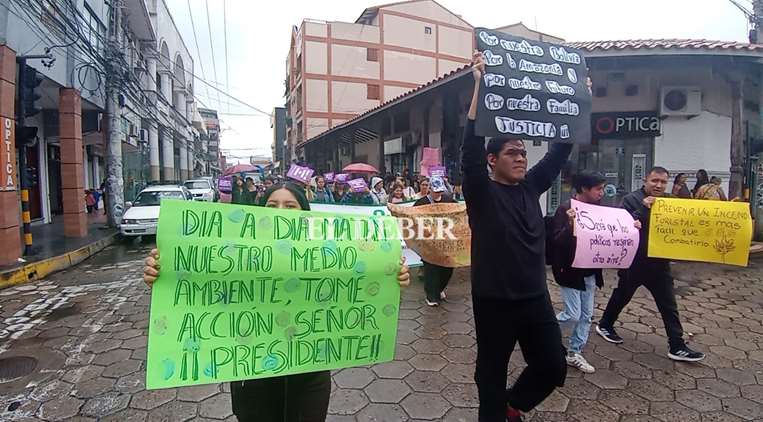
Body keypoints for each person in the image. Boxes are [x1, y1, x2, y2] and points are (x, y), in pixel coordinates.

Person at [142, 183, 410, 422]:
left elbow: (364, 279)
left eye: (290, 206)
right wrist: (161, 272)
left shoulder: (329, 251)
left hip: (310, 373)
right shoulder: (235, 250)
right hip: (252, 373)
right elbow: (197, 279)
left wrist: (392, 275)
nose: (280, 211)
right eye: (272, 205)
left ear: (305, 214)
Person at [463, 51, 569, 422]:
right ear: (493, 160)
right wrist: (480, 84)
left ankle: (514, 406)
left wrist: (578, 104)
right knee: (489, 377)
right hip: (493, 303)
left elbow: (559, 152)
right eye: (512, 152)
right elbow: (470, 150)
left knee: (554, 366)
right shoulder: (481, 192)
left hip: (535, 298)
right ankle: (494, 411)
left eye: (524, 152)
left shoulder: (531, 187)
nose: (521, 158)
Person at [596, 167, 705, 362]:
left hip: (660, 264)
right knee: (622, 295)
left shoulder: (670, 202)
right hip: (634, 263)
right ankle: (605, 324)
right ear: (645, 180)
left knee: (669, 304)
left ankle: (677, 345)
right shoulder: (631, 199)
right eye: (655, 180)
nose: (659, 185)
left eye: (663, 182)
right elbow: (622, 227)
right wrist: (643, 208)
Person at [551, 172, 637, 374]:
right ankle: (542, 331)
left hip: (590, 272)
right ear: (583, 189)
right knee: (573, 314)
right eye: (598, 189)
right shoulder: (566, 209)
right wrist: (570, 225)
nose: (601, 193)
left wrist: (632, 228)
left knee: (586, 316)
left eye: (602, 188)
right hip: (569, 272)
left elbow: (613, 231)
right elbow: (556, 242)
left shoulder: (600, 210)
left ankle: (574, 352)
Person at [414, 176, 457, 306]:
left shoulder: (449, 201)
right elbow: (412, 218)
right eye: (436, 190)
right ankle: (431, 296)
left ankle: (439, 289)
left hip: (445, 241)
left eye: (440, 190)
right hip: (428, 242)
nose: (438, 193)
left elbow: (458, 213)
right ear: (430, 189)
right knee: (431, 268)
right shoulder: (421, 203)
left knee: (448, 267)